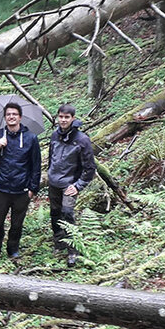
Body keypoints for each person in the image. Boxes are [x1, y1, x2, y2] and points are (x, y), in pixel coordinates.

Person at [0, 102, 41, 266]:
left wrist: (33, 188)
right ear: (5, 117)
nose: (11, 117)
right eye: (8, 114)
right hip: (2, 188)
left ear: (20, 117)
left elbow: (36, 165)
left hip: (22, 189)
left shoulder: (31, 138)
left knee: (17, 224)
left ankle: (13, 249)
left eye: (14, 114)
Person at [48, 104, 96, 267]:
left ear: (73, 118)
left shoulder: (82, 139)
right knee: (55, 213)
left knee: (67, 213)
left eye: (66, 117)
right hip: (54, 182)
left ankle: (72, 250)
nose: (63, 120)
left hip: (70, 184)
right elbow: (51, 158)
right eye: (61, 117)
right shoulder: (55, 136)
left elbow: (90, 167)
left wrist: (78, 185)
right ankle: (59, 242)